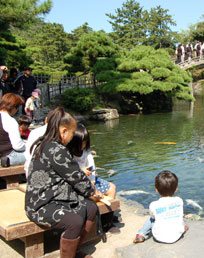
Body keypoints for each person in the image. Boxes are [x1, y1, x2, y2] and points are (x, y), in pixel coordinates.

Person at [25, 107, 102, 258]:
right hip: (41, 203)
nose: (72, 137)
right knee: (74, 222)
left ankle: (75, 251)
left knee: (91, 208)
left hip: (57, 196)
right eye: (73, 133)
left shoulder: (49, 143)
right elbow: (75, 176)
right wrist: (93, 192)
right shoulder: (54, 149)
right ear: (64, 131)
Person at [67, 123, 121, 234]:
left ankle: (107, 219)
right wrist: (81, 172)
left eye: (85, 142)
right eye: (81, 142)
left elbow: (93, 169)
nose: (83, 144)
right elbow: (69, 173)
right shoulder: (68, 154)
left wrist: (92, 181)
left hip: (91, 181)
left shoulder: (86, 151)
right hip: (77, 184)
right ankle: (103, 218)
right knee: (94, 197)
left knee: (112, 188)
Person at [133, 170, 188, 244]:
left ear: (157, 190)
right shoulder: (179, 200)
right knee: (180, 220)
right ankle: (183, 228)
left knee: (151, 219)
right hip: (176, 235)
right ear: (176, 189)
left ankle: (141, 234)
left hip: (159, 236)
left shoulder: (154, 205)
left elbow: (153, 217)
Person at [0, 93, 26, 167]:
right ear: (14, 107)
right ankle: (8, 160)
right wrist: (27, 145)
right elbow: (17, 146)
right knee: (33, 153)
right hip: (6, 154)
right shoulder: (10, 121)